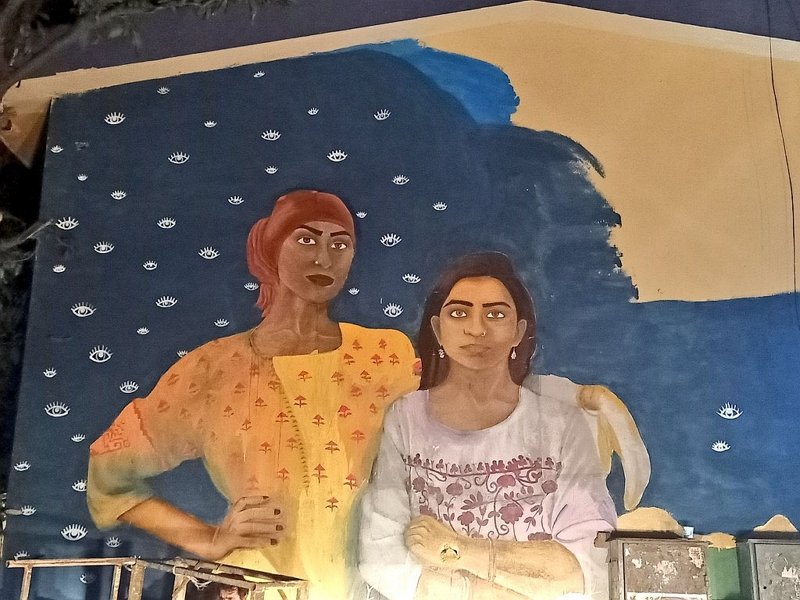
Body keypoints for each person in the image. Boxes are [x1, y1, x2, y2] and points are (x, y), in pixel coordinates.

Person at [87, 190, 421, 600]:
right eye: (306, 239)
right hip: (260, 583)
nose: (324, 259)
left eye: (340, 244)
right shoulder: (213, 368)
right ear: (272, 248)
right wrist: (210, 540)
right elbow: (109, 472)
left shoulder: (387, 354)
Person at [359, 253, 620, 600]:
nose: (477, 329)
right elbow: (383, 559)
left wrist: (456, 550)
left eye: (496, 314)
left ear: (518, 331)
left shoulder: (562, 426)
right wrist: (510, 585)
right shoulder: (405, 418)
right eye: (459, 313)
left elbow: (589, 565)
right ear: (437, 329)